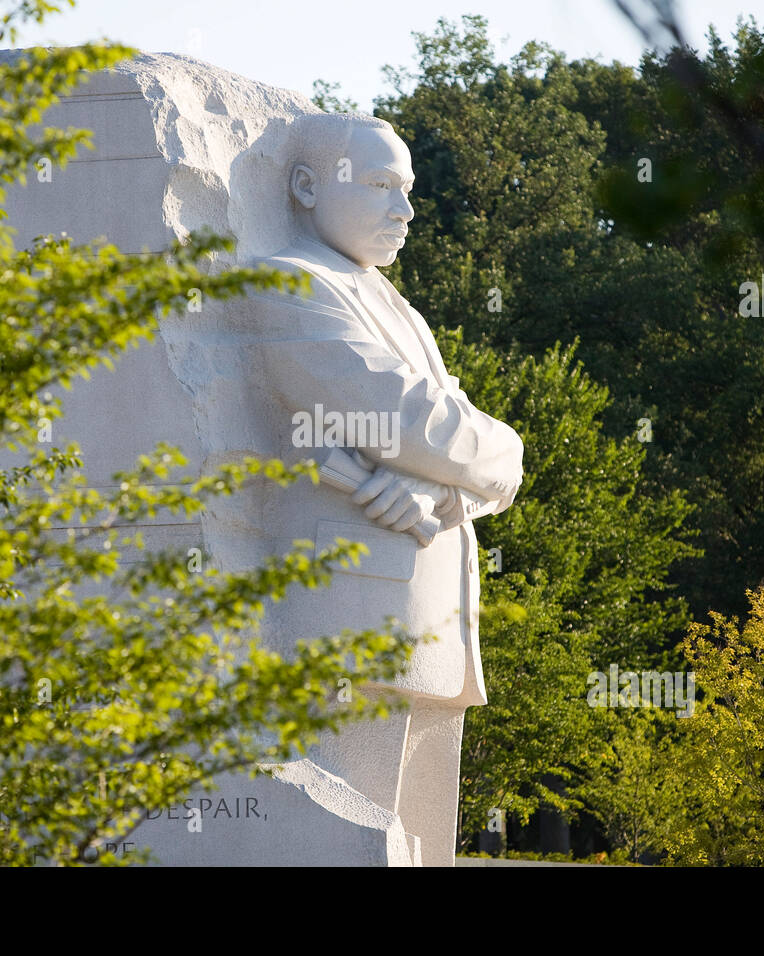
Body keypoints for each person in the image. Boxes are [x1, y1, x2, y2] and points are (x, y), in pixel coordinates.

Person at [243, 112, 524, 866]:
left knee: (424, 848)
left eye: (409, 191)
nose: (404, 211)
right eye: (381, 187)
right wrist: (467, 457)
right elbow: (409, 418)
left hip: (432, 626)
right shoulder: (287, 282)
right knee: (350, 844)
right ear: (306, 186)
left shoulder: (396, 307)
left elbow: (477, 454)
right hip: (351, 623)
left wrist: (439, 492)